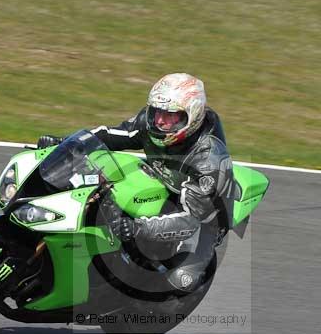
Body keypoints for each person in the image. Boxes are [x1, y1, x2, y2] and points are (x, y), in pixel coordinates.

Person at [37, 73, 234, 293]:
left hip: (203, 215)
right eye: (157, 112)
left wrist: (136, 228)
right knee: (97, 187)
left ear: (192, 116)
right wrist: (64, 143)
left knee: (180, 282)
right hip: (162, 178)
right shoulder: (150, 123)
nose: (159, 121)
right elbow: (110, 135)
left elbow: (190, 221)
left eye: (170, 117)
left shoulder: (209, 161)